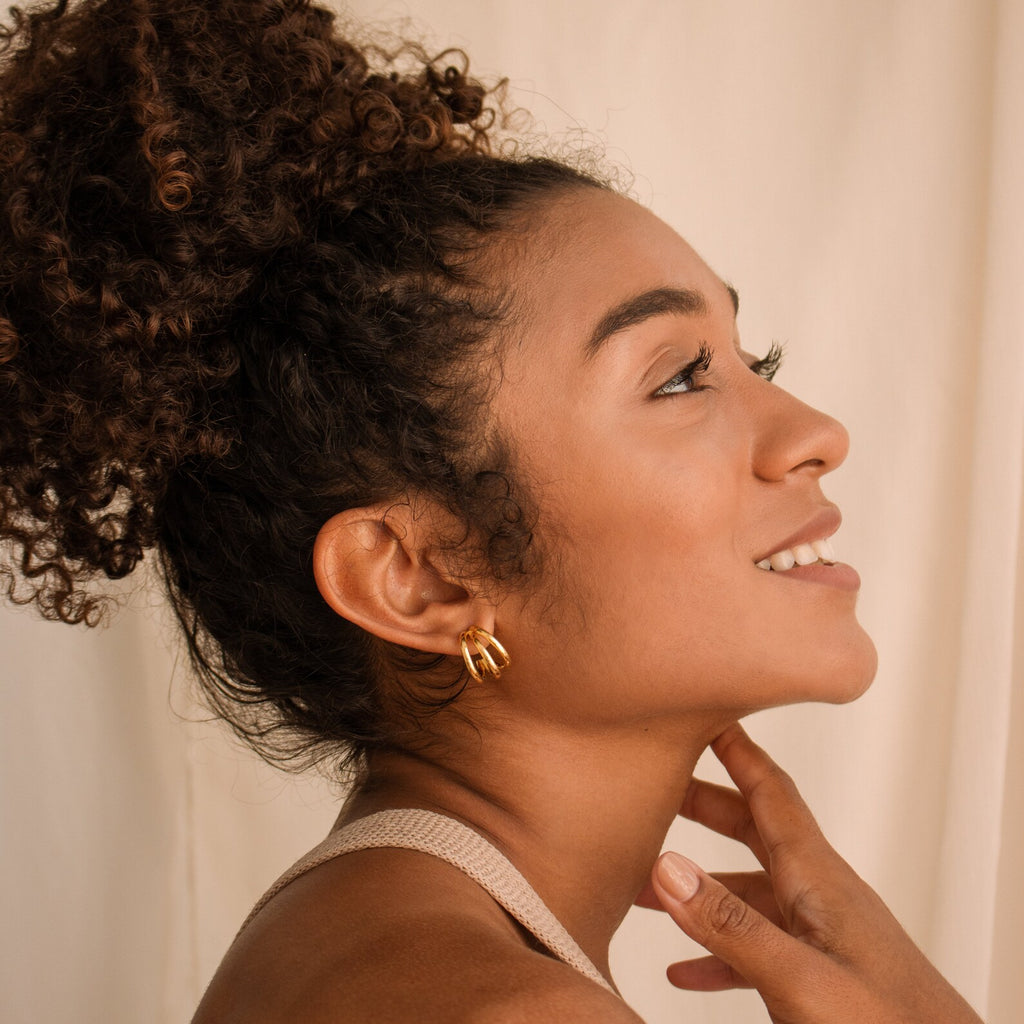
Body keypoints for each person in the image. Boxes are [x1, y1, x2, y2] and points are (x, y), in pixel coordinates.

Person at [0, 1, 987, 1021]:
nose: (816, 432)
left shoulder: (365, 945)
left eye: (753, 360)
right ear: (419, 576)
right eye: (680, 378)